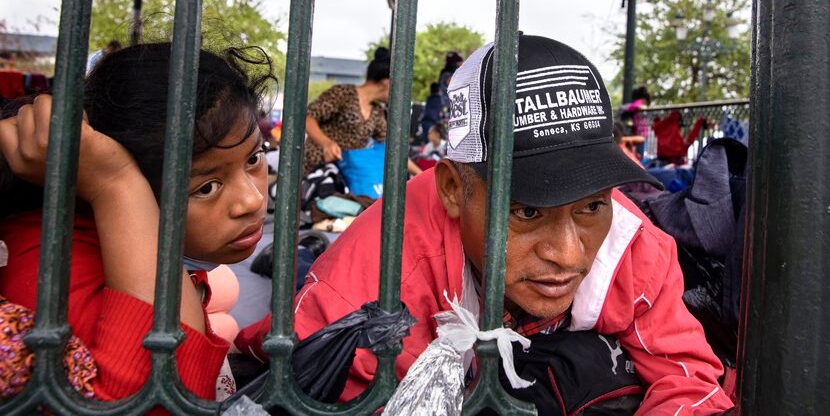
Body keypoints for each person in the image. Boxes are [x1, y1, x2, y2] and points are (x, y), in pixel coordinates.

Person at [236, 35, 733, 414]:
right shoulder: (374, 288)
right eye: (527, 211)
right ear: (453, 188)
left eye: (591, 206)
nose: (568, 254)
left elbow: (690, 381)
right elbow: (309, 389)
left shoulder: (633, 245)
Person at [0, 42, 275, 403]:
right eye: (206, 187)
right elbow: (160, 402)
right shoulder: (52, 268)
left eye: (254, 157)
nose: (253, 200)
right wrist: (115, 182)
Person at [303, 46, 421, 176]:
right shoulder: (343, 93)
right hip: (313, 170)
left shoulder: (377, 112)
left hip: (341, 177)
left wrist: (423, 176)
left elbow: (392, 150)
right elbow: (309, 117)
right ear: (387, 83)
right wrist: (327, 143)